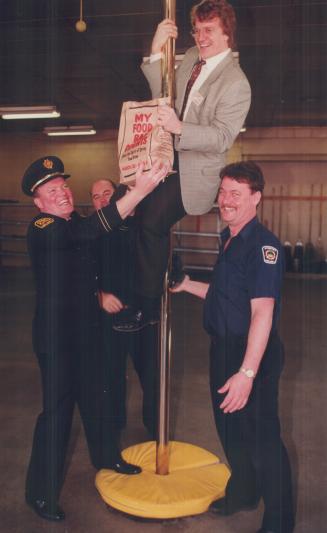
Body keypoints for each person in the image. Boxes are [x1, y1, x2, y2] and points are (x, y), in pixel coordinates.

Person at [22, 156, 167, 522]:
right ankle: (39, 494)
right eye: (52, 191)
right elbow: (87, 232)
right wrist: (140, 192)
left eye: (64, 187)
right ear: (38, 202)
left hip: (87, 333)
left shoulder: (75, 225)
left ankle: (106, 457)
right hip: (57, 340)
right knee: (56, 414)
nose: (62, 194)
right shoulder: (43, 226)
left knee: (97, 398)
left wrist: (100, 293)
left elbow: (92, 258)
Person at [171, 161, 295, 533]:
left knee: (263, 441)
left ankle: (279, 522)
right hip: (222, 350)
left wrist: (246, 373)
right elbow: (225, 297)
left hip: (251, 354)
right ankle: (243, 493)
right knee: (230, 431)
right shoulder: (229, 239)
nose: (226, 201)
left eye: (235, 194)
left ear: (255, 198)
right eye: (223, 192)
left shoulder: (263, 247)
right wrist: (187, 285)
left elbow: (261, 313)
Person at [116, 0, 251, 331]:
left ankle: (147, 307)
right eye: (196, 30)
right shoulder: (191, 57)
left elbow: (221, 138)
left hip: (197, 174)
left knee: (151, 220)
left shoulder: (236, 83)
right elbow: (165, 95)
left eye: (208, 31)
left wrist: (179, 129)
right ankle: (161, 270)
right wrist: (157, 48)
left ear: (227, 33)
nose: (200, 38)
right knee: (129, 207)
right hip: (167, 155)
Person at [91, 179, 158, 436]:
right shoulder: (91, 233)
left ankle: (156, 434)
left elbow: (168, 261)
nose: (103, 200)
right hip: (109, 321)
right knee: (111, 380)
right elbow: (77, 276)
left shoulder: (145, 227)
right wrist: (99, 295)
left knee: (152, 379)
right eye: (96, 197)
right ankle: (112, 434)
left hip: (145, 318)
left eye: (107, 193)